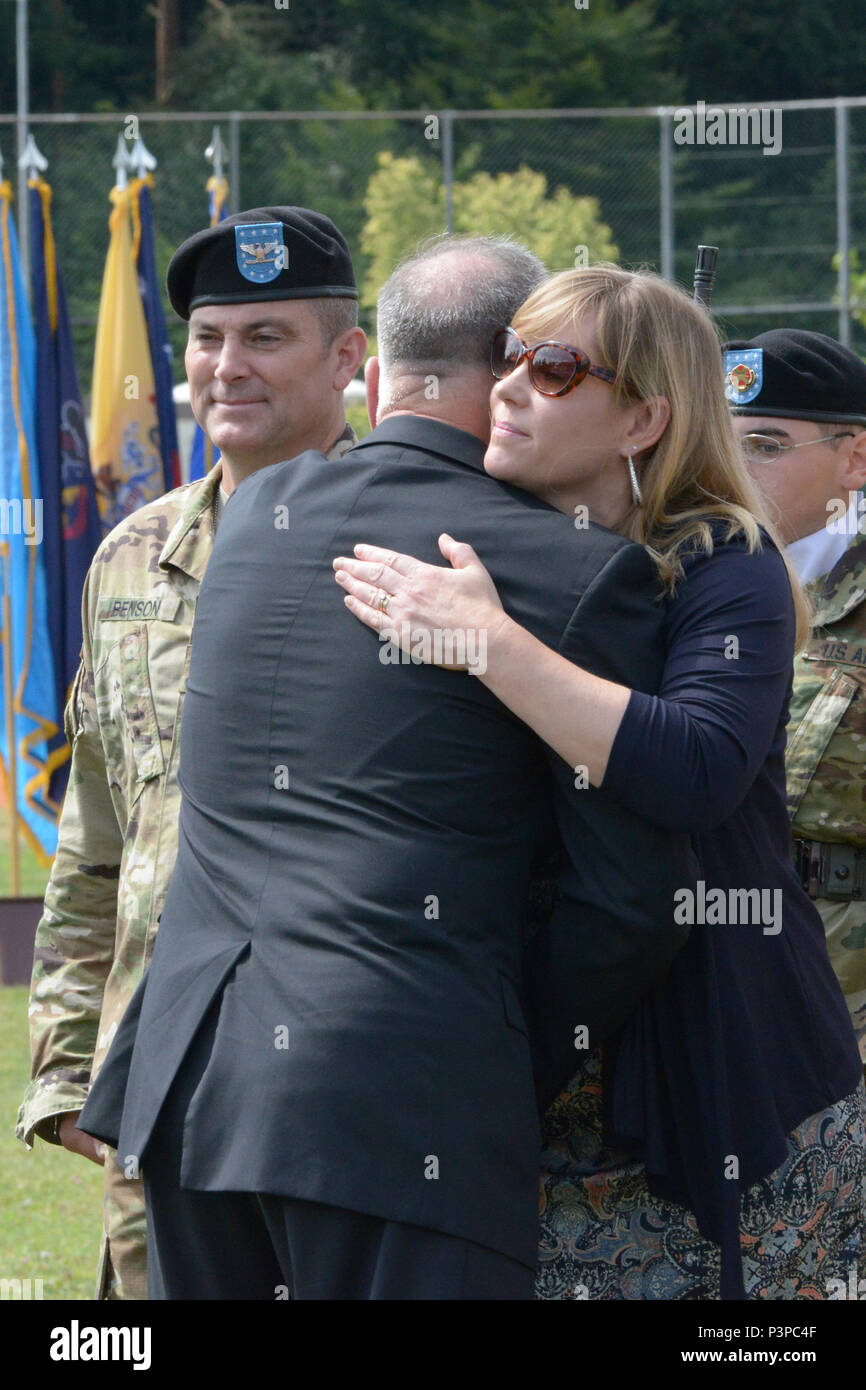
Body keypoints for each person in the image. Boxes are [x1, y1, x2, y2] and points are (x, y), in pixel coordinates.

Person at [77, 236, 694, 1301]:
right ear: (511, 366)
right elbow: (628, 897)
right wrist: (501, 1040)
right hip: (403, 1103)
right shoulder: (574, 568)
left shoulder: (246, 530)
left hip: (190, 1086)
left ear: (376, 373)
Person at [333, 264, 865, 1300]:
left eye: (557, 367)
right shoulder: (469, 534)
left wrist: (492, 642)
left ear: (642, 421)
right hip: (522, 1078)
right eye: (508, 359)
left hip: (719, 1076)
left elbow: (698, 768)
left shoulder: (723, 556)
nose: (510, 387)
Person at [15, 206, 366, 1299]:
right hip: (154, 1073)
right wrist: (67, 1060)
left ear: (348, 358)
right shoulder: (131, 556)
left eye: (267, 338)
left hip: (340, 1075)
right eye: (210, 339)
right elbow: (97, 833)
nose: (227, 366)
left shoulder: (413, 544)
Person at [723, 329, 866, 1063]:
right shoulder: (696, 577)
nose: (734, 468)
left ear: (855, 457)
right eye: (725, 440)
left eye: (767, 445)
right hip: (728, 970)